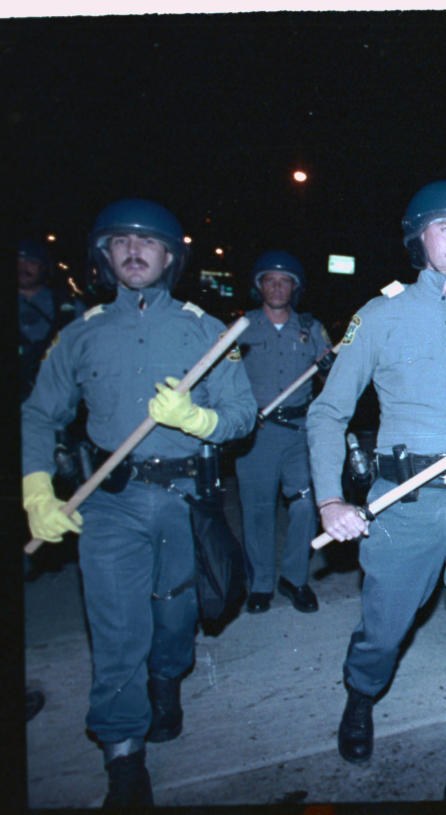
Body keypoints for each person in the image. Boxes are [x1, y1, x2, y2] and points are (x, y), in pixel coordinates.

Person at [306, 180, 446, 801]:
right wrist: (331, 499)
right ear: (419, 238)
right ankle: (361, 696)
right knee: (384, 628)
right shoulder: (377, 316)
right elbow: (328, 414)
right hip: (403, 501)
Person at [21, 198, 256, 806]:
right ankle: (123, 752)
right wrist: (37, 488)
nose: (133, 250)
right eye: (120, 241)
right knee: (117, 624)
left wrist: (198, 418)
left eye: (147, 243)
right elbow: (39, 413)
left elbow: (241, 415)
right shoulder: (82, 332)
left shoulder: (206, 330)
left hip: (183, 499)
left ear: (170, 257)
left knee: (175, 613)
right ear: (104, 255)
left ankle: (167, 679)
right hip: (110, 498)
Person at [235, 251, 332, 613]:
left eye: (285, 280)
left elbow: (328, 380)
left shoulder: (310, 328)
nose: (277, 287)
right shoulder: (241, 328)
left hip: (299, 432)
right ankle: (260, 585)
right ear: (258, 286)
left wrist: (327, 366)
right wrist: (240, 414)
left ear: (295, 287)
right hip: (256, 434)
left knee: (306, 504)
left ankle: (294, 579)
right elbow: (224, 383)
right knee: (257, 511)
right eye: (270, 280)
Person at [19, 237, 83, 401]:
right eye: (17, 260)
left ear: (44, 267)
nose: (22, 266)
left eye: (31, 261)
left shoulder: (69, 307)